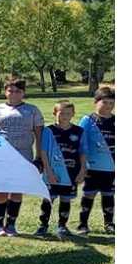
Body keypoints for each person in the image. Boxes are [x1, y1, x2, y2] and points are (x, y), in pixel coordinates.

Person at [0, 78, 50, 237]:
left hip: (24, 155)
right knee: (1, 190)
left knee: (17, 190)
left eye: (18, 91)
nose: (14, 94)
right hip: (1, 156)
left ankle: (11, 225)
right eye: (10, 90)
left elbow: (39, 135)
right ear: (5, 91)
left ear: (23, 93)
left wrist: (39, 156)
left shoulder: (32, 110)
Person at [34, 100, 87, 239]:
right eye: (61, 113)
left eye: (68, 113)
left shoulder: (79, 131)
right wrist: (48, 171)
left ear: (73, 114)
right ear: (54, 113)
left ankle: (62, 226)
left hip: (70, 173)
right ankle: (43, 226)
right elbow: (44, 152)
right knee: (48, 199)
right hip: (52, 173)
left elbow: (82, 153)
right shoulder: (48, 131)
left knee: (65, 199)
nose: (64, 116)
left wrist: (82, 171)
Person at [76, 86, 115, 235]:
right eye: (104, 102)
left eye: (111, 103)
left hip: (111, 167)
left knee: (109, 195)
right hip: (91, 167)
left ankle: (109, 223)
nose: (108, 106)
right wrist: (82, 166)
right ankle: (83, 224)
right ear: (96, 102)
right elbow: (80, 144)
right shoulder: (87, 120)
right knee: (89, 194)